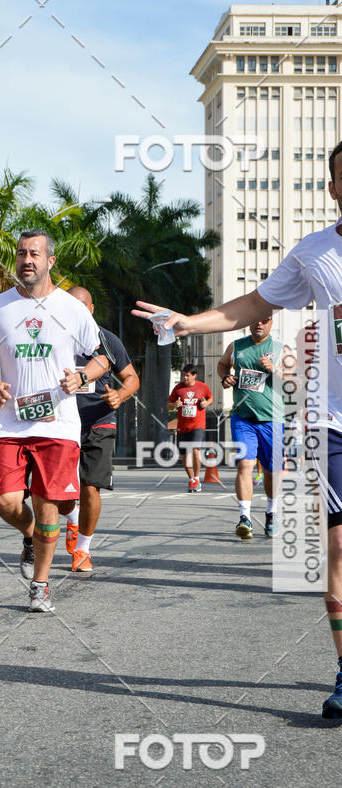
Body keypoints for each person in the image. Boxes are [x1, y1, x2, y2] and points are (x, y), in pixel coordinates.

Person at [132, 139, 342, 719]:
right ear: (333, 188)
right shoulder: (315, 252)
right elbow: (252, 303)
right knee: (339, 548)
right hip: (334, 421)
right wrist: (186, 323)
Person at [0, 230, 109, 612]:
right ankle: (31, 533)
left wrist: (82, 376)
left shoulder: (71, 308)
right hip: (11, 422)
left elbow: (102, 358)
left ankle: (40, 586)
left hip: (58, 424)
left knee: (47, 502)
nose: (27, 260)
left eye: (34, 254)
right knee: (5, 501)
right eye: (21, 254)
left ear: (50, 261)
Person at [64, 286, 139, 572]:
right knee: (57, 493)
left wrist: (120, 395)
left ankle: (83, 549)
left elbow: (131, 378)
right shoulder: (55, 337)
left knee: (90, 487)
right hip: (61, 423)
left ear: (91, 309)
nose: (77, 312)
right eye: (71, 306)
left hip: (99, 420)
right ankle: (73, 517)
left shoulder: (106, 339)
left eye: (82, 307)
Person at [217, 317, 283, 539]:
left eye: (265, 320)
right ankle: (244, 518)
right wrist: (226, 377)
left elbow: (294, 382)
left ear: (271, 323)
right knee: (245, 465)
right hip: (242, 417)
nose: (259, 324)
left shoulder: (281, 348)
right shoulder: (236, 346)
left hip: (272, 420)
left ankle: (271, 512)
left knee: (272, 471)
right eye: (255, 320)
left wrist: (274, 370)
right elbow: (222, 365)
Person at [167, 364, 212, 494]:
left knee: (195, 451)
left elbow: (210, 398)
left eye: (187, 375)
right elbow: (169, 405)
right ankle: (191, 479)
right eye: (184, 375)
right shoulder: (178, 388)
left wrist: (206, 403)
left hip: (197, 425)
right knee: (185, 455)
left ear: (194, 375)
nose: (185, 378)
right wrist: (174, 405)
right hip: (182, 426)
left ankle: (197, 478)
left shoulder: (202, 387)